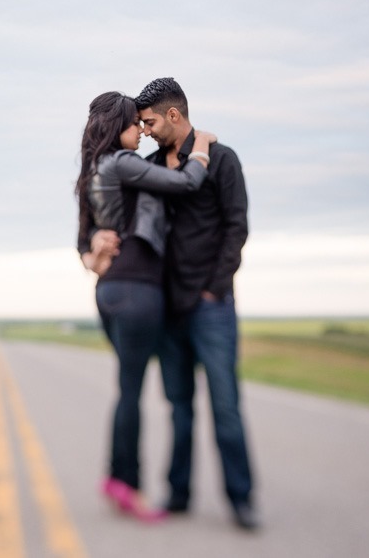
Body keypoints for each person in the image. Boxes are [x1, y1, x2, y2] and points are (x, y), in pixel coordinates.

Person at [94, 77, 257, 530]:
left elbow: (236, 227)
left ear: (173, 115)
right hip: (165, 307)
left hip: (211, 305)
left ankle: (241, 499)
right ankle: (179, 494)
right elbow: (112, 215)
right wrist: (95, 245)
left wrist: (213, 287)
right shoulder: (146, 166)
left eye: (148, 122)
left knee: (225, 405)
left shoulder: (221, 160)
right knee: (178, 407)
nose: (143, 130)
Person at [75, 91, 215, 524]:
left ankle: (118, 478)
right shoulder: (121, 161)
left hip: (111, 290)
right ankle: (126, 485)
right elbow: (188, 183)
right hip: (137, 288)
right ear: (117, 126)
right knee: (131, 392)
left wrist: (91, 254)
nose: (141, 130)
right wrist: (204, 146)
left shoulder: (94, 171)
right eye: (135, 124)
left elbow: (84, 238)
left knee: (127, 389)